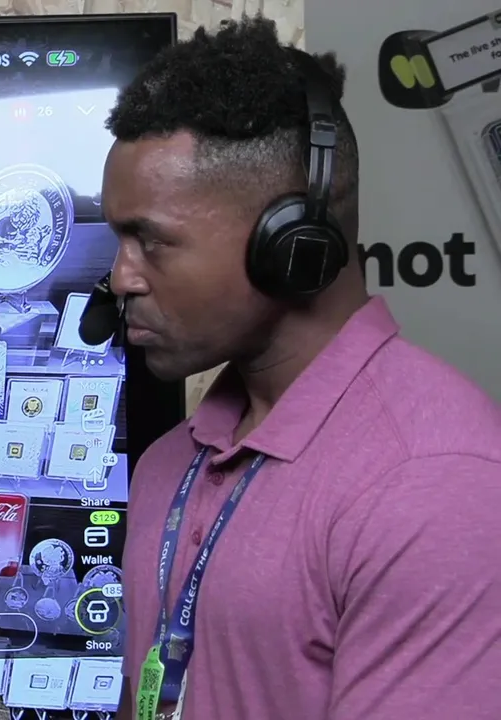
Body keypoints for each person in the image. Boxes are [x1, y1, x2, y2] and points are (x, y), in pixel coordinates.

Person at [101, 17, 501, 720]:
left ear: (291, 242)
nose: (120, 277)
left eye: (151, 240)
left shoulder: (435, 483)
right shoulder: (167, 464)